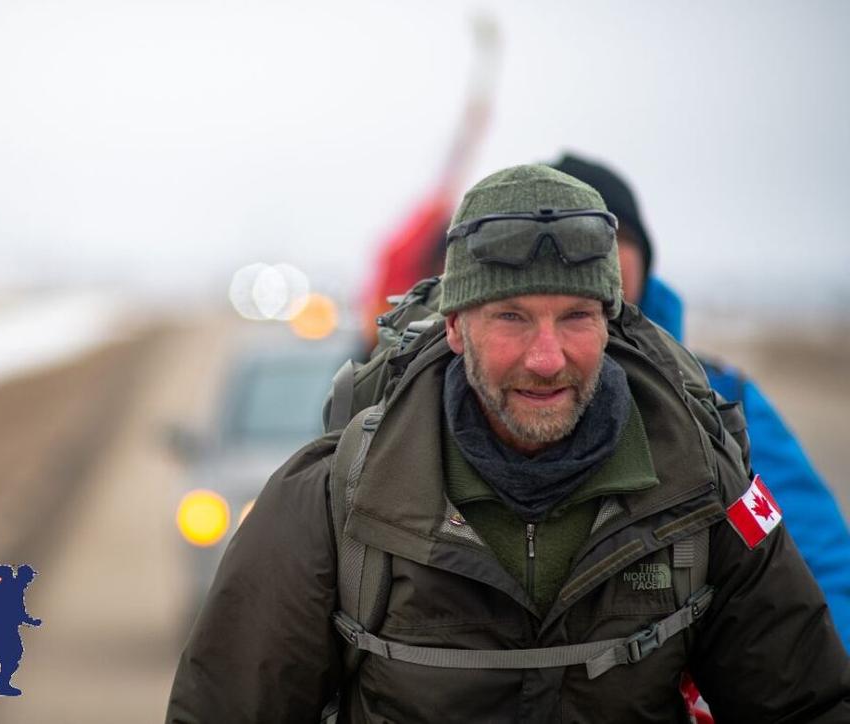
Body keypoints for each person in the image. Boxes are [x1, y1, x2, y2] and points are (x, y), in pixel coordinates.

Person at [167, 165, 850, 722]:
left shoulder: (702, 485)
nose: (547, 358)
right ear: (455, 327)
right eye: (512, 317)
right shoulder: (335, 498)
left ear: (610, 323)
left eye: (575, 316)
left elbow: (808, 702)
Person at [551, 152, 850, 651]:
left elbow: (818, 557)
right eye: (571, 236)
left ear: (644, 257)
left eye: (615, 235)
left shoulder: (722, 399)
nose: (596, 255)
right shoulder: (479, 398)